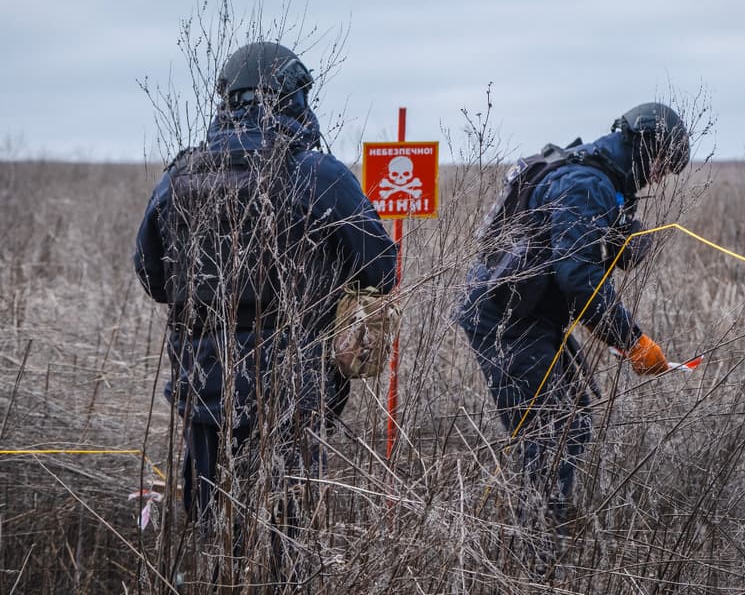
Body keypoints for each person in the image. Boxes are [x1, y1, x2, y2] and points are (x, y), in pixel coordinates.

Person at [134, 41, 397, 529]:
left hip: (202, 382)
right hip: (292, 386)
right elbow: (382, 269)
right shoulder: (317, 173)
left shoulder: (177, 176)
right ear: (295, 98)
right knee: (283, 527)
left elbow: (152, 276)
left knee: (212, 521)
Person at [457, 102, 691, 534]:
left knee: (574, 419)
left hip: (528, 312)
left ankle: (544, 532)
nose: (660, 177)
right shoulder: (586, 183)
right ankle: (538, 551)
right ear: (644, 145)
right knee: (550, 434)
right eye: (663, 164)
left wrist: (622, 241)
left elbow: (568, 248)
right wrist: (632, 341)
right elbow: (578, 277)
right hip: (506, 320)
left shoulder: (599, 174)